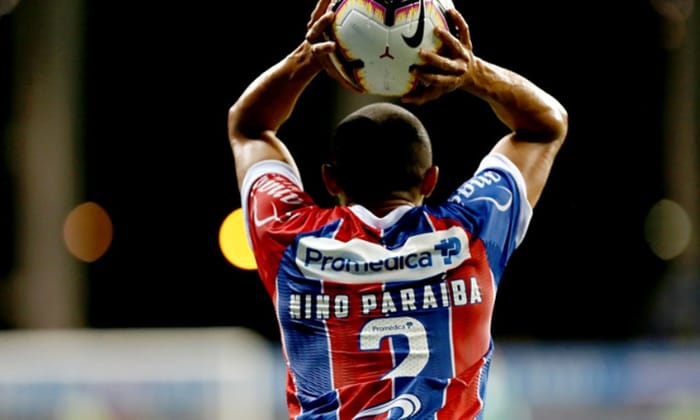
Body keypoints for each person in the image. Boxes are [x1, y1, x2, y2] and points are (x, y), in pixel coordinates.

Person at [228, 0, 568, 418]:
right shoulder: (471, 231)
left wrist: (307, 58)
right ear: (431, 180)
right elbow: (545, 125)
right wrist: (471, 73)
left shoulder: (289, 237)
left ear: (330, 179)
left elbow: (248, 127)